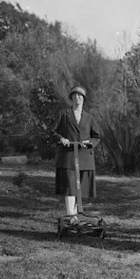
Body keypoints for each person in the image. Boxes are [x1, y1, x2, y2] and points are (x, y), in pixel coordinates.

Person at [52, 86, 101, 225]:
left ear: (84, 99)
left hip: (84, 157)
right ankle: (71, 217)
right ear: (71, 98)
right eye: (74, 95)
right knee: (69, 185)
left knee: (79, 188)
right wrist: (61, 139)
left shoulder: (90, 118)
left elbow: (96, 137)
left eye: (80, 96)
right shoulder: (64, 114)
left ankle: (75, 215)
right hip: (67, 156)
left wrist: (89, 142)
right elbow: (53, 132)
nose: (77, 98)